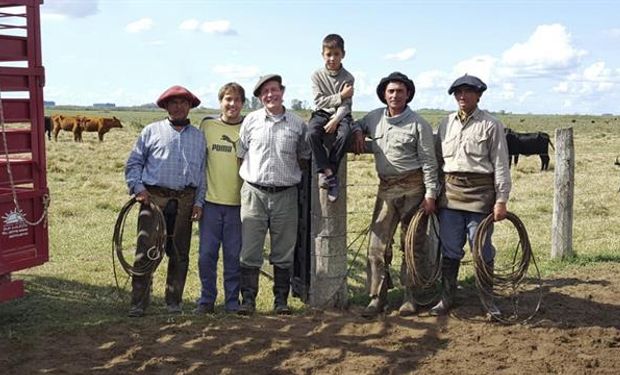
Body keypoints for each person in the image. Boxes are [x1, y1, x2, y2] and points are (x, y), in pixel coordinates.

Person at [351, 72, 438, 318]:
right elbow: (356, 123)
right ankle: (377, 297)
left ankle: (411, 296)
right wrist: (358, 132)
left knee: (412, 245)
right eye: (390, 91)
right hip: (386, 189)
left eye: (400, 91)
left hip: (413, 189)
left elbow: (429, 162)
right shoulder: (374, 118)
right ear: (384, 95)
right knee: (377, 246)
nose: (395, 95)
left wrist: (430, 194)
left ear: (408, 94)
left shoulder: (418, 123)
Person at [430, 74, 512, 318]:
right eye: (458, 92)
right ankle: (447, 298)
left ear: (478, 95)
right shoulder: (445, 124)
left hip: (480, 195)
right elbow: (437, 162)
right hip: (451, 194)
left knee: (481, 247)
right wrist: (433, 193)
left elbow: (500, 163)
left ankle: (488, 301)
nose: (462, 96)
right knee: (450, 247)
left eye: (467, 92)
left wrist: (501, 199)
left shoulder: (491, 124)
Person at [125, 85, 206, 318]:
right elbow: (134, 164)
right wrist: (138, 188)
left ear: (189, 106)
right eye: (174, 103)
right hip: (154, 199)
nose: (179, 107)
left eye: (183, 103)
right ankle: (139, 302)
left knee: (180, 252)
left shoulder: (199, 138)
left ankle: (174, 301)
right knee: (146, 249)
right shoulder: (151, 131)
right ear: (166, 106)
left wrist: (199, 202)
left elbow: (202, 174)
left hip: (185, 201)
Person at [236, 74, 311, 315]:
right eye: (265, 92)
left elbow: (304, 157)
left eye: (274, 90)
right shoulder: (250, 121)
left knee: (283, 249)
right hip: (254, 192)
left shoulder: (298, 124)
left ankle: (281, 301)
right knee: (250, 249)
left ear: (282, 91)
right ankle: (248, 300)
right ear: (259, 97)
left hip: (286, 194)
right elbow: (240, 152)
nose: (270, 95)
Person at [195, 83, 246, 314]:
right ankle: (206, 300)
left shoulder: (249, 127)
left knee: (233, 256)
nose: (232, 104)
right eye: (228, 99)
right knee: (206, 254)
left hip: (238, 205)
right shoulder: (207, 125)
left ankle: (232, 302)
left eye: (236, 100)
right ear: (220, 102)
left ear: (243, 104)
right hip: (211, 204)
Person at [307, 33, 355, 202]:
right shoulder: (316, 76)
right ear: (323, 55)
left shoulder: (348, 77)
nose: (332, 58)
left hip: (341, 114)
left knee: (345, 135)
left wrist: (335, 120)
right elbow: (319, 101)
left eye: (336, 54)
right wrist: (341, 95)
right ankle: (325, 171)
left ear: (343, 54)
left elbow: (346, 105)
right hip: (321, 112)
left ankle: (330, 172)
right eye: (328, 54)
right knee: (311, 133)